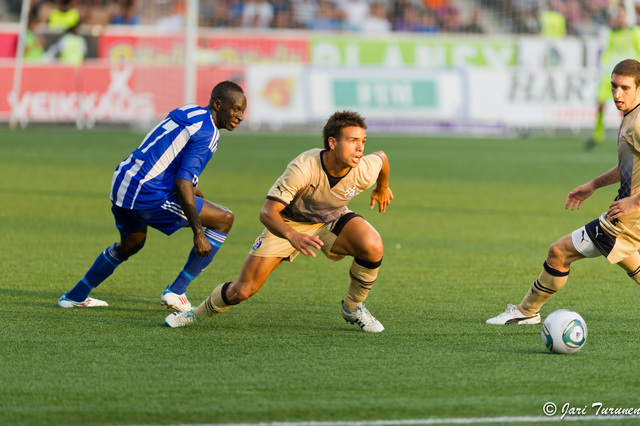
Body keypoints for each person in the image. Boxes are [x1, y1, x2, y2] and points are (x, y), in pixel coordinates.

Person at [165, 110, 393, 332]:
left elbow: (382, 158)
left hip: (331, 218)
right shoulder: (303, 168)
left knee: (372, 246)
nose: (360, 148)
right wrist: (292, 236)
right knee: (242, 291)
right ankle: (194, 314)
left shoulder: (363, 168)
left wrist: (382, 188)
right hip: (288, 223)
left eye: (363, 140)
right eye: (352, 140)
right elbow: (267, 212)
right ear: (332, 142)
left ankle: (352, 308)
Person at [58, 81, 247, 311]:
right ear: (217, 104)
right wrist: (198, 232)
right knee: (224, 219)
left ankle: (75, 295)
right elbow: (182, 182)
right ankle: (177, 291)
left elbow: (167, 154)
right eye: (235, 109)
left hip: (122, 182)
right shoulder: (208, 133)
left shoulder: (190, 111)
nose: (240, 116)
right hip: (146, 194)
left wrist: (189, 186)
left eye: (243, 111)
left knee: (131, 244)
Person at [487, 59, 640, 325]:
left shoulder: (638, 123)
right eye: (614, 86)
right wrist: (593, 184)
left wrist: (634, 202)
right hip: (626, 212)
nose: (617, 94)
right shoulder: (631, 116)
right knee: (628, 258)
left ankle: (526, 312)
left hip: (627, 218)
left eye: (625, 88)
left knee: (558, 252)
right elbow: (628, 164)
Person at [586, 5, 640, 150]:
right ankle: (598, 135)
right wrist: (603, 67)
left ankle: (627, 137)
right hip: (609, 75)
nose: (621, 17)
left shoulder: (634, 32)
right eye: (619, 15)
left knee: (624, 109)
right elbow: (607, 51)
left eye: (623, 14)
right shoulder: (612, 33)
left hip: (627, 77)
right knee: (600, 105)